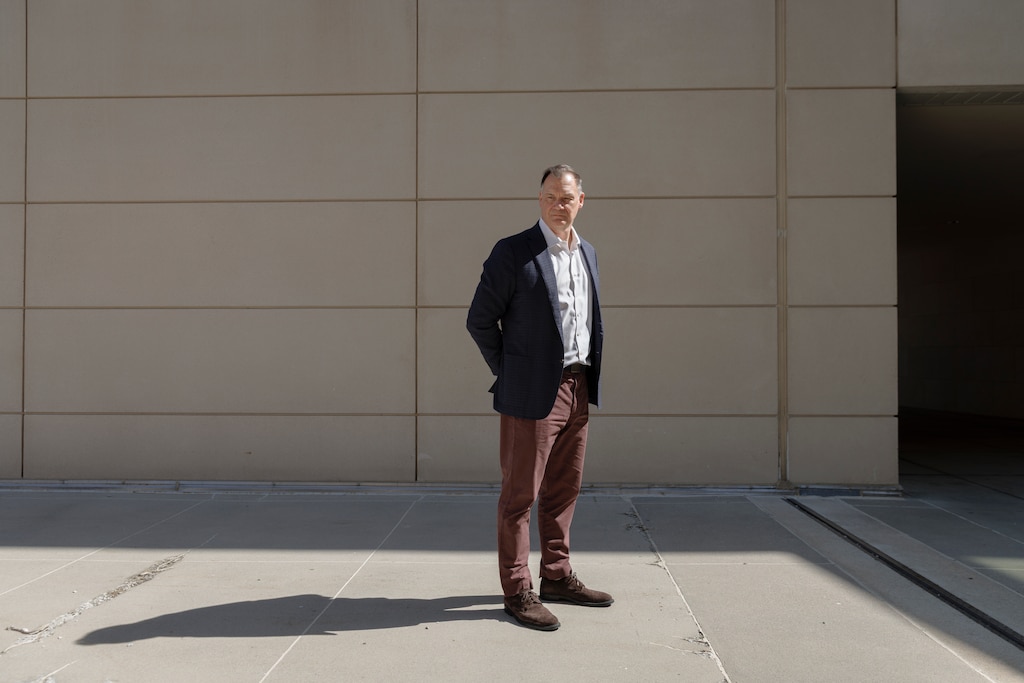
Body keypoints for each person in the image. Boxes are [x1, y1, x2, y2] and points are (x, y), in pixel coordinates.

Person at [467, 164, 612, 631]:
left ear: (581, 201)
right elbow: (480, 320)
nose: (557, 205)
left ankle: (556, 574)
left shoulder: (586, 252)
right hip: (530, 394)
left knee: (563, 491)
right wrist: (511, 373)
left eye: (566, 198)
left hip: (578, 387)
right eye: (549, 196)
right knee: (519, 497)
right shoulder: (514, 252)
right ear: (539, 198)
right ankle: (517, 590)